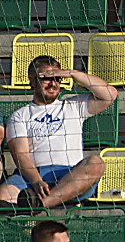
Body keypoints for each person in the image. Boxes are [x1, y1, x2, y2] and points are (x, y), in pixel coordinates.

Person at [3, 57, 115, 209]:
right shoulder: (19, 116)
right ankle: (38, 204)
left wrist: (73, 73)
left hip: (70, 175)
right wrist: (36, 181)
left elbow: (110, 95)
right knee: (3, 196)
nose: (53, 83)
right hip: (33, 177)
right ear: (33, 81)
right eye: (46, 78)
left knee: (96, 163)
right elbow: (21, 155)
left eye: (57, 78)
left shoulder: (73, 106)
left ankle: (40, 205)